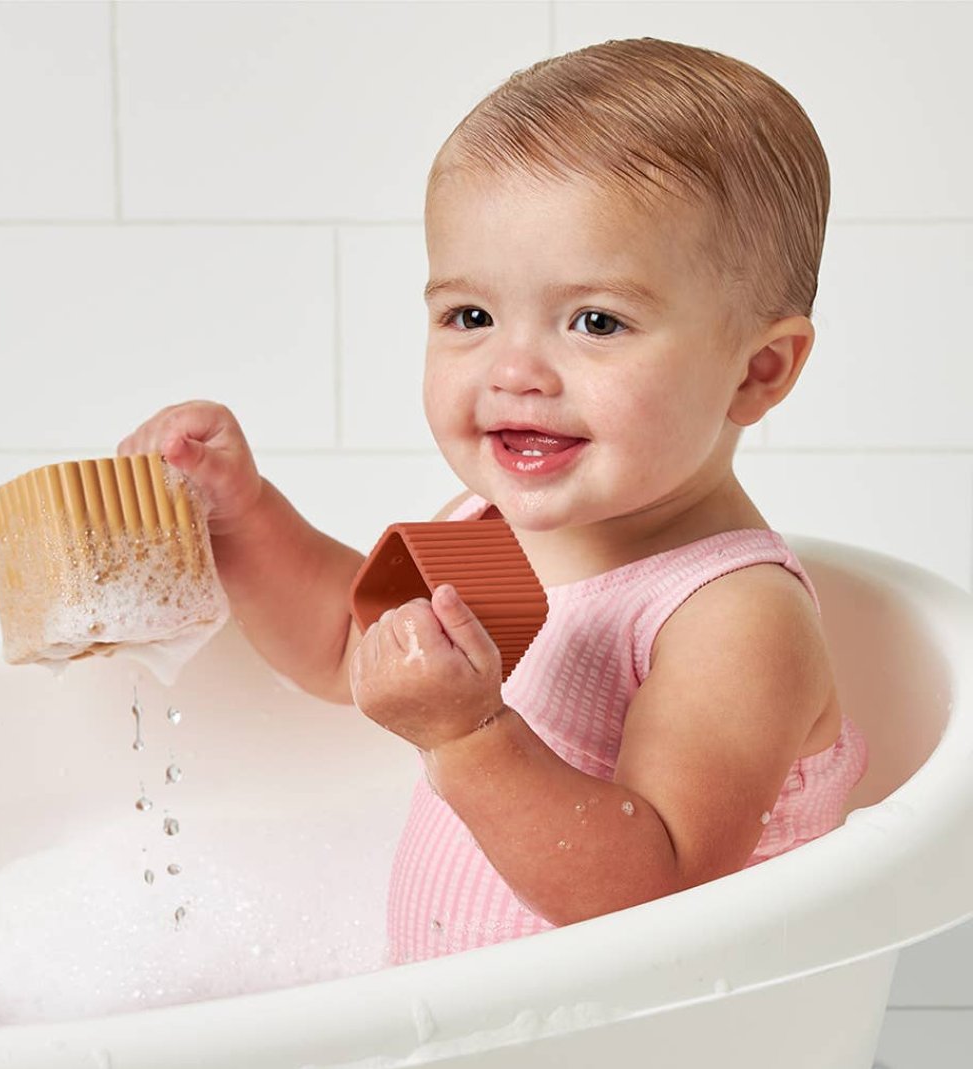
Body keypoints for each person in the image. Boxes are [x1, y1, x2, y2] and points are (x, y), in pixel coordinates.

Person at [118, 37, 868, 965]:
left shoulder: (731, 617)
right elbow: (341, 652)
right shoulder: (493, 529)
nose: (514, 371)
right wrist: (245, 514)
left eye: (597, 322)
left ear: (757, 371)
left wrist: (468, 735)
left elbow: (655, 892)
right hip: (481, 1027)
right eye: (469, 316)